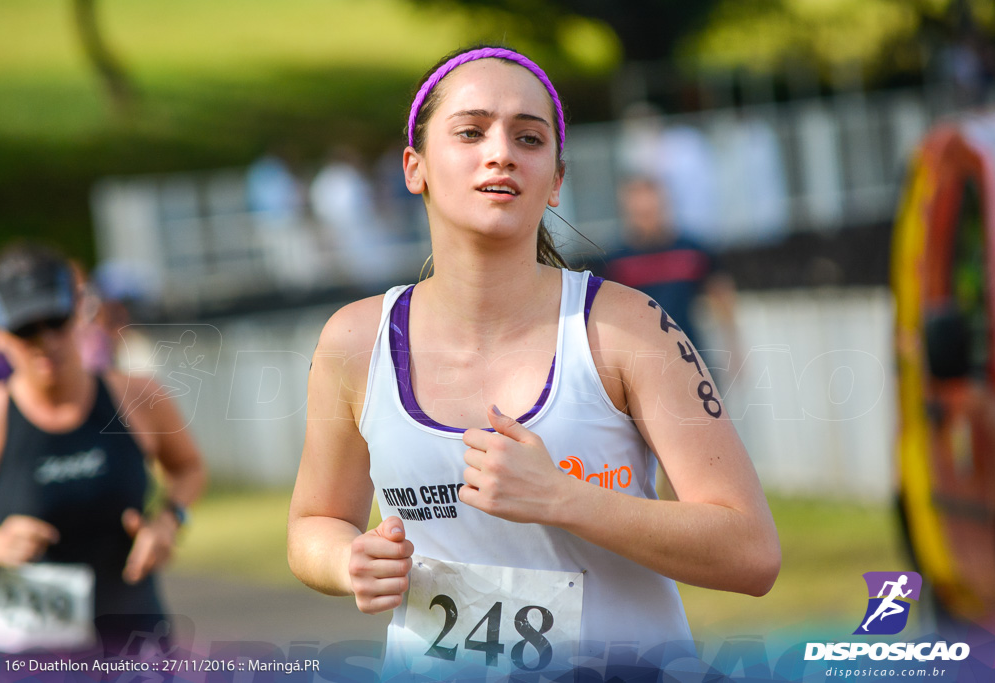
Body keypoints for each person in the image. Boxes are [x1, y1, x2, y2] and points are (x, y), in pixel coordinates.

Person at [287, 45, 780, 679]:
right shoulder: (355, 340)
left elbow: (751, 551)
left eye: (529, 137)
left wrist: (564, 498)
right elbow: (313, 521)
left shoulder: (626, 327)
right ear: (415, 168)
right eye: (470, 131)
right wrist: (347, 561)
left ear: (555, 180)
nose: (501, 152)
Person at [0, 243, 206, 656]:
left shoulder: (137, 397)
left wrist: (169, 521)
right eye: (25, 329)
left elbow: (188, 467)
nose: (45, 342)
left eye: (57, 322)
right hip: (31, 655)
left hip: (135, 641)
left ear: (80, 310)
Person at [602, 174, 738, 356]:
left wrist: (733, 344)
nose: (647, 220)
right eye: (640, 214)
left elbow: (721, 292)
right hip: (641, 357)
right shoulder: (616, 262)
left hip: (691, 351)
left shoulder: (691, 251)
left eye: (651, 211)